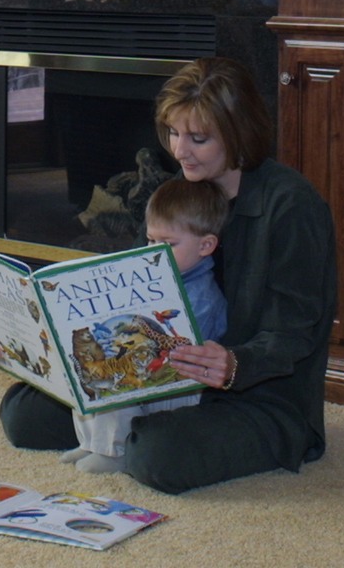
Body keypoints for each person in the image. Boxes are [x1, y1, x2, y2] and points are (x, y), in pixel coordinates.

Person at [0, 55, 337, 494]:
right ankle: (136, 428)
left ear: (239, 133)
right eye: (173, 133)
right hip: (156, 377)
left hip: (256, 393)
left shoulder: (291, 206)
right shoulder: (175, 191)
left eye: (198, 138)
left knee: (158, 455)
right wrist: (22, 339)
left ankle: (145, 434)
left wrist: (234, 363)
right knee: (22, 415)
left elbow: (295, 333)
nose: (180, 151)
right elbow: (128, 294)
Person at [62, 175, 229, 475]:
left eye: (168, 244)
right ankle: (93, 441)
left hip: (177, 389)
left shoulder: (201, 296)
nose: (154, 251)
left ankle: (114, 450)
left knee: (116, 377)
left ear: (205, 245)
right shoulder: (151, 278)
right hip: (151, 372)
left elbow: (181, 350)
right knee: (85, 364)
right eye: (151, 240)